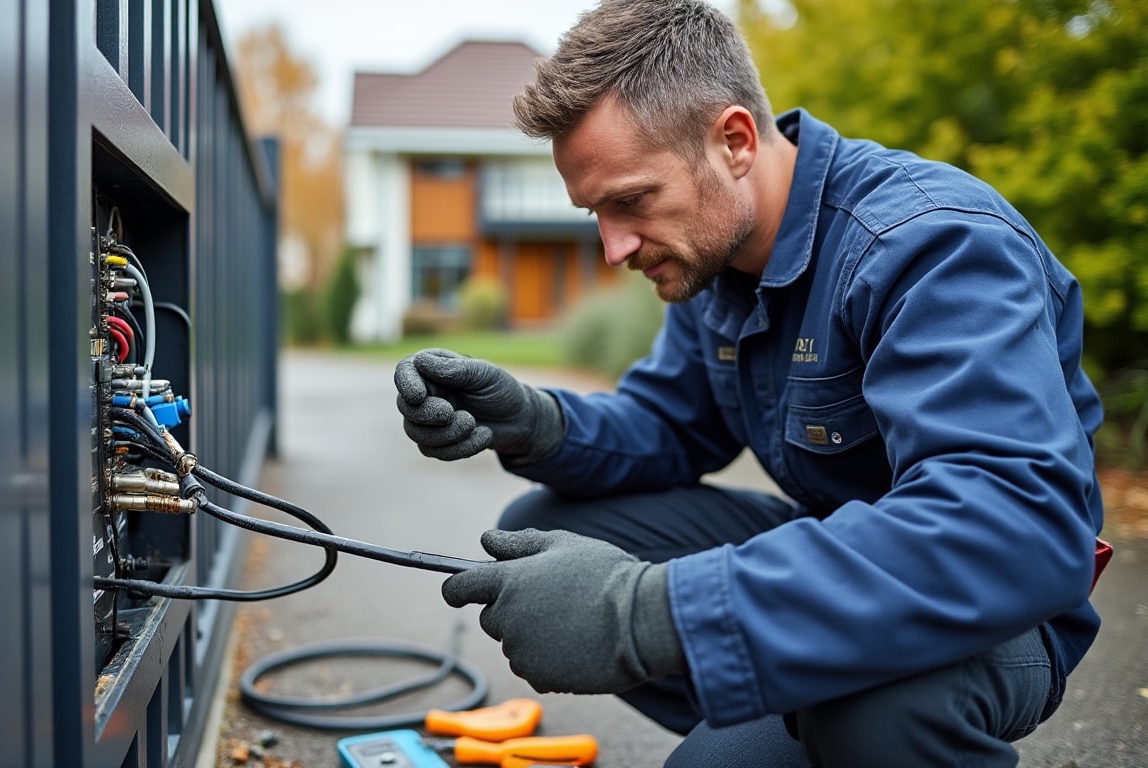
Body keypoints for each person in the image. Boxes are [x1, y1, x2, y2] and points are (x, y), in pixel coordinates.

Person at [391, 1, 1108, 766]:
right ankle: (786, 714)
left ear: (733, 140)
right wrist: (538, 424)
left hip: (995, 609)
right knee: (552, 526)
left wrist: (650, 615)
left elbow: (1008, 525)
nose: (613, 247)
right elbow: (669, 425)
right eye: (595, 212)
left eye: (631, 200)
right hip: (834, 566)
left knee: (867, 713)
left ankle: (829, 722)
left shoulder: (932, 245)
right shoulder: (718, 254)